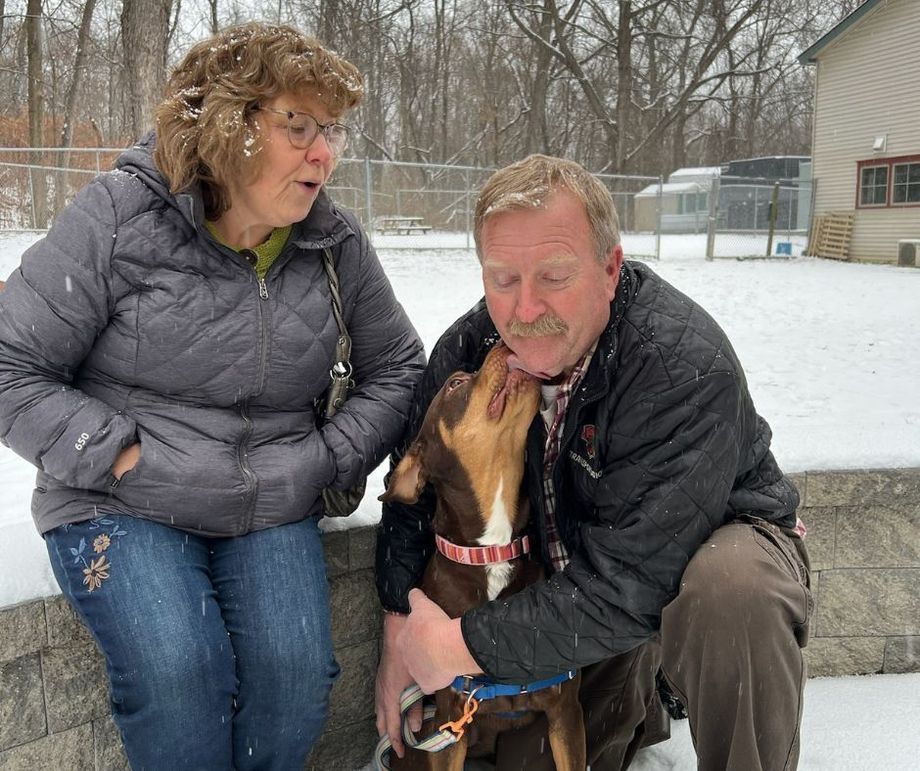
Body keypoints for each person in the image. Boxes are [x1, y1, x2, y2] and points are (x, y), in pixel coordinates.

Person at [0, 22, 424, 771]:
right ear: (229, 124)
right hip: (122, 497)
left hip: (269, 494)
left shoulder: (334, 241)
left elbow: (398, 366)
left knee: (296, 682)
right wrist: (119, 452)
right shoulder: (120, 214)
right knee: (178, 672)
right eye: (299, 125)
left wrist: (326, 456)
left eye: (331, 130)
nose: (323, 152)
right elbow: (11, 362)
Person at [375, 154, 811, 770]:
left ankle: (685, 686)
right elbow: (411, 491)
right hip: (573, 590)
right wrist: (402, 628)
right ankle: (642, 689)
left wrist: (457, 645)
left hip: (695, 563)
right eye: (503, 278)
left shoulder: (678, 364)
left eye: (553, 275)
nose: (524, 310)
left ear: (610, 269)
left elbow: (632, 583)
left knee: (732, 590)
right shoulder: (473, 353)